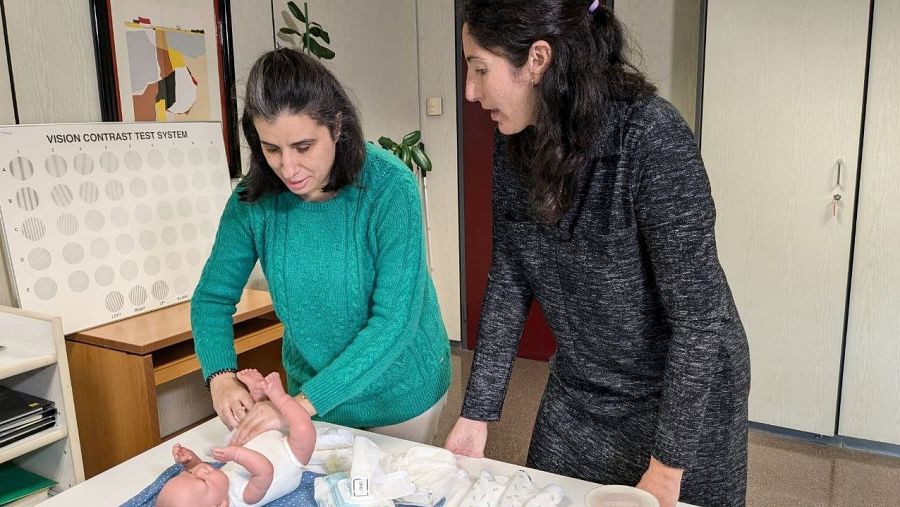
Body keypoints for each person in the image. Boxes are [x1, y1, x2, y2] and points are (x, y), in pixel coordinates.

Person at [444, 2, 751, 507]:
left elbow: (699, 321)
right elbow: (510, 277)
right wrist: (476, 414)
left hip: (681, 398)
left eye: (479, 69)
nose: (470, 92)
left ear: (537, 59)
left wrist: (667, 468)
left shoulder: (651, 139)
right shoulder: (515, 144)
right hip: (583, 384)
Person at [191, 48, 451, 447]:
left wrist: (297, 404)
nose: (288, 169)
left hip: (397, 397)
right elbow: (212, 299)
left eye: (303, 146)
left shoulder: (389, 187)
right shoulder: (254, 199)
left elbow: (394, 323)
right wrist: (220, 377)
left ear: (337, 125)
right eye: (271, 149)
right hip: (309, 397)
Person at [157, 370, 315, 507]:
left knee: (247, 426)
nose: (201, 470)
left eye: (190, 473)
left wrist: (190, 461)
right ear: (220, 505)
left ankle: (258, 397)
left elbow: (200, 469)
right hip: (290, 455)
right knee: (302, 427)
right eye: (202, 480)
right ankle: (280, 397)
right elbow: (265, 470)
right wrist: (236, 454)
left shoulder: (214, 490)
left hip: (259, 443)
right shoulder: (244, 497)